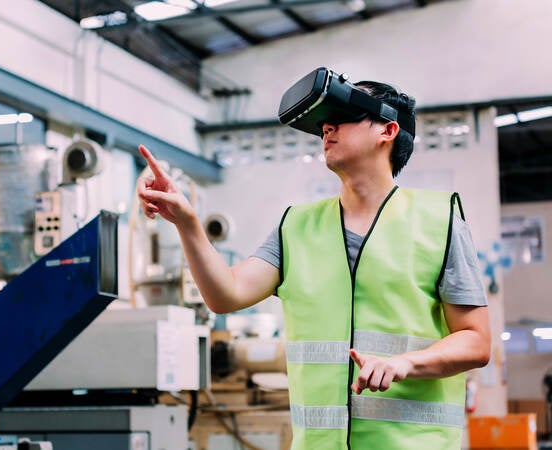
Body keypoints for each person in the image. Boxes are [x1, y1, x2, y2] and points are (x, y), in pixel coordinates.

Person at [137, 74, 491, 450]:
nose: (327, 127)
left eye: (343, 117)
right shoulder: (296, 226)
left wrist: (406, 363)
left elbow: (475, 340)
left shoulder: (439, 220)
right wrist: (188, 224)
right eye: (324, 121)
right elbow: (226, 295)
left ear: (387, 130)